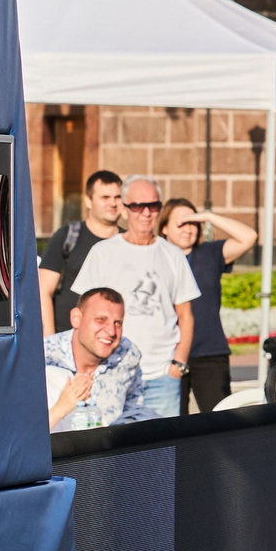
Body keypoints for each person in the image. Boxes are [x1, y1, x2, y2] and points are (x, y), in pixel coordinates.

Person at [69, 176, 197, 420]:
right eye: (137, 206)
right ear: (125, 210)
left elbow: (186, 315)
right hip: (113, 371)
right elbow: (84, 315)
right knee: (114, 449)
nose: (146, 213)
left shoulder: (173, 255)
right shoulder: (103, 253)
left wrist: (178, 365)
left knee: (162, 449)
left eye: (153, 206)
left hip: (162, 375)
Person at [162, 197, 254, 413]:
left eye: (194, 223)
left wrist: (208, 216)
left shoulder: (210, 253)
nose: (188, 229)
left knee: (220, 422)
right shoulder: (157, 256)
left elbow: (249, 237)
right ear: (164, 227)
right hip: (168, 354)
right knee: (171, 426)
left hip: (210, 353)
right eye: (181, 222)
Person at [38, 168, 123, 336]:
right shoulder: (67, 237)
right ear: (88, 201)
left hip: (113, 340)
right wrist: (49, 340)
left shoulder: (127, 242)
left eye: (118, 197)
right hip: (68, 339)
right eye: (105, 197)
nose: (113, 204)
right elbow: (43, 291)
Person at [44, 286, 142, 431]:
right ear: (76, 319)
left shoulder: (127, 354)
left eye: (118, 323)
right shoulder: (44, 356)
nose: (111, 331)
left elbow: (134, 409)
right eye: (101, 320)